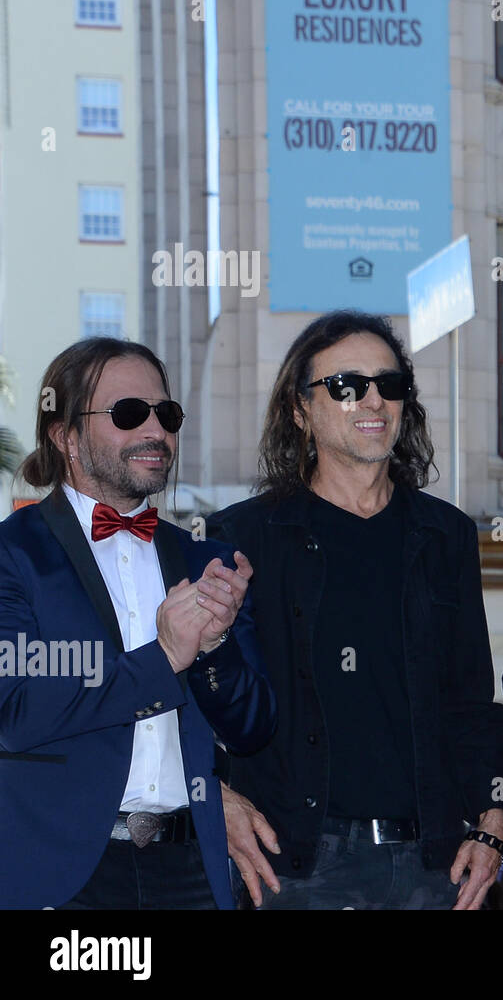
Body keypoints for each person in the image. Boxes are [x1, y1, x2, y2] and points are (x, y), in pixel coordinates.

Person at [208, 311, 503, 910]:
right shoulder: (245, 536)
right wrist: (213, 793)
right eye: (346, 386)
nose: (372, 399)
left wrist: (495, 813)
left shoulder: (445, 534)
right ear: (300, 410)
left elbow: (471, 700)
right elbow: (204, 689)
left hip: (434, 864)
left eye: (389, 384)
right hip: (295, 866)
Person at [0, 338, 274, 909]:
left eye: (166, 414)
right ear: (65, 435)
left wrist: (214, 647)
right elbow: (16, 715)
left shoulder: (206, 560)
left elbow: (253, 728)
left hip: (192, 870)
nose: (156, 431)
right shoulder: (13, 555)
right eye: (129, 414)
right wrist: (164, 659)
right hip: (65, 872)